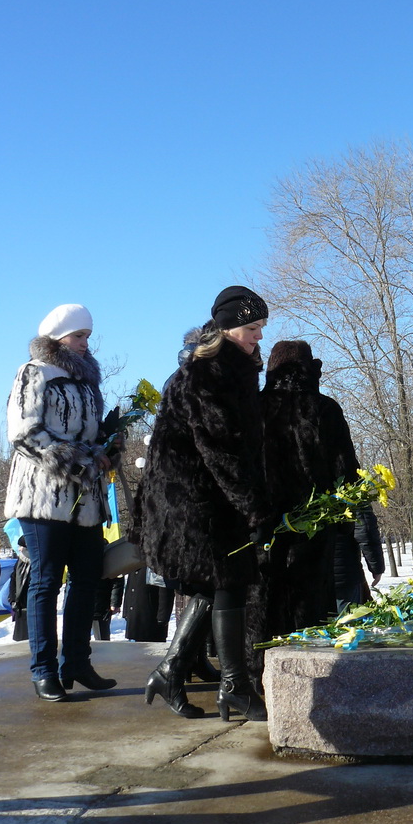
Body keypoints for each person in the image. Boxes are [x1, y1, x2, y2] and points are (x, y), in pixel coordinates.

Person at [131, 285, 272, 721]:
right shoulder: (208, 373)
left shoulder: (234, 370)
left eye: (262, 328)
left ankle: (171, 671)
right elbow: (220, 448)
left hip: (210, 496)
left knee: (214, 587)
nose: (258, 337)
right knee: (227, 581)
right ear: (229, 328)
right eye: (252, 328)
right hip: (192, 501)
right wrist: (255, 506)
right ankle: (235, 687)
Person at [248, 339, 380, 685]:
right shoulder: (324, 410)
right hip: (314, 530)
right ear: (310, 369)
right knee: (309, 615)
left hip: (263, 530)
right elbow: (348, 478)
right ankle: (303, 686)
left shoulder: (254, 408)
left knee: (265, 608)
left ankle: (260, 680)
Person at [5, 304, 117, 701]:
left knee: (87, 579)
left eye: (87, 336)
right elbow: (24, 434)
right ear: (57, 338)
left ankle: (77, 662)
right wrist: (81, 458)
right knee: (46, 581)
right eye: (79, 336)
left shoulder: (87, 381)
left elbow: (91, 432)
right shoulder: (33, 372)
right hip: (42, 497)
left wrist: (106, 448)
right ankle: (43, 669)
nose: (85, 344)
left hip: (84, 498)